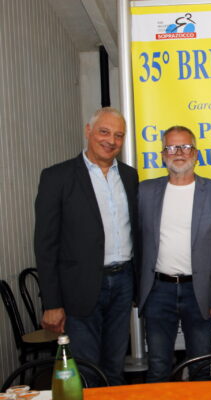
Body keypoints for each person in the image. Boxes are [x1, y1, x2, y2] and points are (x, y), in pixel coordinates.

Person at [34, 107, 138, 385]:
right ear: (88, 131)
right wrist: (52, 303)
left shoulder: (129, 177)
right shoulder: (57, 177)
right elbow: (45, 245)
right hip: (80, 288)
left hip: (123, 283)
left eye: (118, 135)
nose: (111, 140)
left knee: (115, 365)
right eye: (104, 132)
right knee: (87, 369)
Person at [137, 126, 211, 382]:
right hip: (158, 291)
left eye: (185, 147)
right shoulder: (145, 192)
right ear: (162, 155)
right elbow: (136, 242)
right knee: (158, 366)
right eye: (171, 147)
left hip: (199, 292)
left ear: (196, 154)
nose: (179, 152)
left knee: (200, 367)